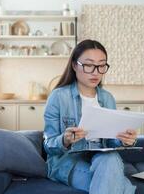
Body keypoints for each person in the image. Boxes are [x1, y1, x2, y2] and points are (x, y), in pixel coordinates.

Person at [43, 39, 137, 194]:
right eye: (88, 65)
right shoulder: (58, 97)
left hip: (101, 159)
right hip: (67, 162)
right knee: (123, 187)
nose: (95, 72)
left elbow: (110, 141)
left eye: (101, 65)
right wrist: (65, 140)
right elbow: (48, 144)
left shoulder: (107, 99)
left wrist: (123, 139)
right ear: (75, 65)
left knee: (111, 157)